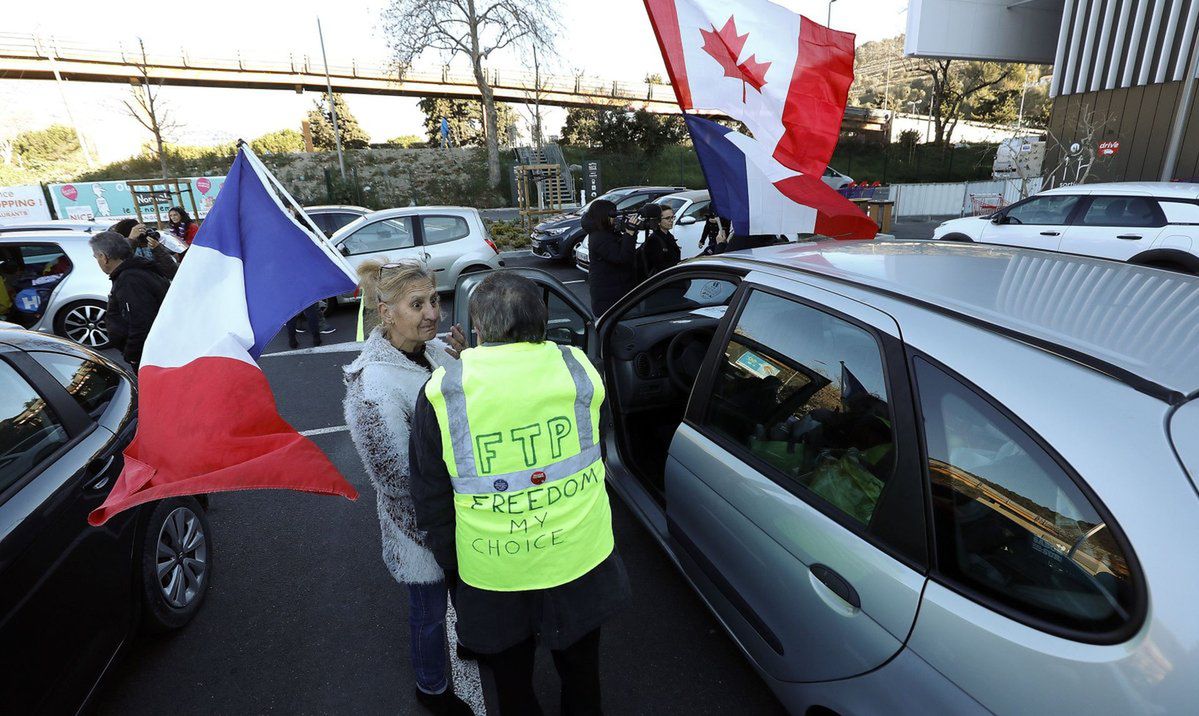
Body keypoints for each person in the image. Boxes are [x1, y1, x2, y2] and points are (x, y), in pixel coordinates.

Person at [411, 272, 631, 716]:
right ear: (542, 322)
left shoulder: (444, 391)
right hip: (580, 559)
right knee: (582, 677)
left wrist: (454, 566)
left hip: (494, 572)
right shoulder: (580, 369)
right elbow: (594, 444)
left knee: (513, 688)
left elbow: (430, 492)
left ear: (478, 330)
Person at [342, 259, 477, 716]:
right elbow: (394, 476)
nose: (432, 313)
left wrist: (464, 365)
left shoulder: (436, 352)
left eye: (434, 300)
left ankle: (470, 643)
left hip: (458, 514)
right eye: (417, 304)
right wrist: (443, 515)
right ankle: (432, 687)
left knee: (465, 590)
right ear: (386, 313)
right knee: (428, 612)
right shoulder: (372, 383)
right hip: (418, 528)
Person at [89, 231, 170, 371]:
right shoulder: (137, 270)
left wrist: (132, 355)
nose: (97, 260)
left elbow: (141, 323)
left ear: (104, 257)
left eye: (96, 257)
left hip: (150, 356)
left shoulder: (130, 280)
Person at [584, 199, 638, 316]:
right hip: (609, 296)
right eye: (613, 214)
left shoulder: (606, 232)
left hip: (614, 290)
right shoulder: (600, 237)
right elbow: (621, 257)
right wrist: (629, 233)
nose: (615, 217)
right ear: (603, 215)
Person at [110, 219, 178, 279]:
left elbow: (172, 272)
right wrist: (131, 240)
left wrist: (158, 249)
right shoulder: (121, 251)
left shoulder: (151, 247)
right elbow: (120, 264)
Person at [634, 203, 681, 281]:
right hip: (661, 283)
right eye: (667, 218)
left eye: (673, 217)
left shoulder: (668, 236)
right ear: (658, 221)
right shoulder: (654, 240)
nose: (671, 220)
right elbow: (660, 266)